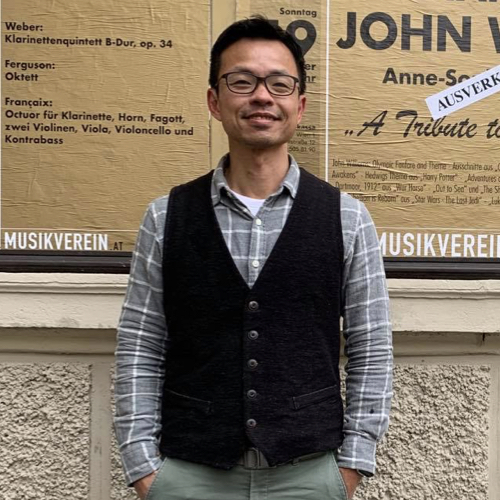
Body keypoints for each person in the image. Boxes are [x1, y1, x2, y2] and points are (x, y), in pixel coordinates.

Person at [115, 15, 393, 500]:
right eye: (242, 81)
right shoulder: (166, 217)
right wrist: (144, 468)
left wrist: (351, 465)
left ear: (299, 106)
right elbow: (141, 345)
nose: (262, 96)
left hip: (310, 476)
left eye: (279, 84)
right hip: (189, 475)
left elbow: (371, 348)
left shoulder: (347, 218)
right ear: (214, 100)